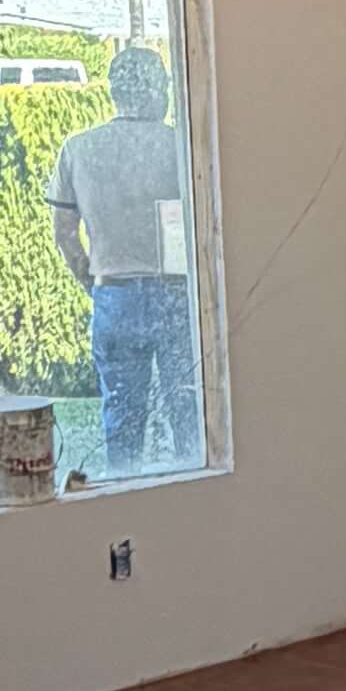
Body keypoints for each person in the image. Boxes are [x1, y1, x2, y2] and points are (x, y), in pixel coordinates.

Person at [48, 38, 203, 475]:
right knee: (190, 412)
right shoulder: (183, 146)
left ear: (115, 92)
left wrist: (92, 281)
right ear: (158, 91)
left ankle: (124, 494)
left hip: (114, 294)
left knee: (122, 416)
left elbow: (65, 233)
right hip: (176, 294)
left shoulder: (78, 149)